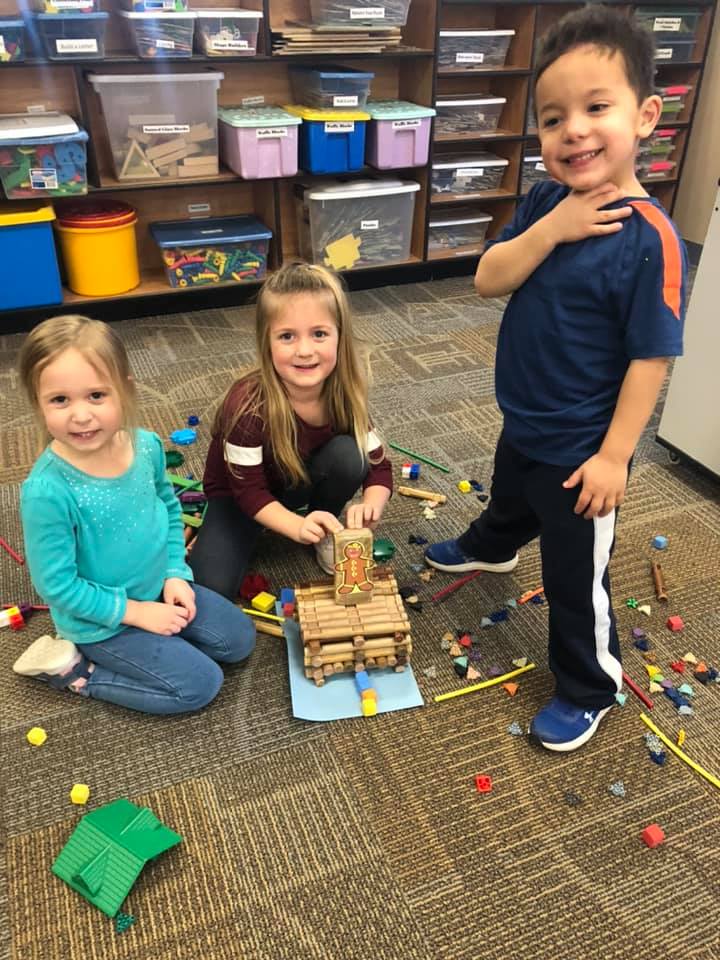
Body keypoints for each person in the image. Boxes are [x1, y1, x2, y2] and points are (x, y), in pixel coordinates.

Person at [425, 4, 687, 751]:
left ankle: (589, 684)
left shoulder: (652, 242)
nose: (572, 130)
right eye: (552, 117)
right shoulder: (545, 200)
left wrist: (612, 458)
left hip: (585, 450)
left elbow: (651, 358)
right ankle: (492, 544)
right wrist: (553, 228)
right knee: (511, 493)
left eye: (596, 108)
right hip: (526, 415)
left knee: (575, 582)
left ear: (645, 116)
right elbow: (486, 278)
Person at [13, 315, 255, 715]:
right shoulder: (47, 491)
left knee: (239, 640)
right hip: (102, 621)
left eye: (96, 395)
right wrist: (137, 613)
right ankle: (77, 673)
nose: (80, 415)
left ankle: (161, 646)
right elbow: (56, 586)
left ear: (124, 390)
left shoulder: (145, 446)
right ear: (38, 403)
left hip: (157, 586)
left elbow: (170, 509)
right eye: (60, 400)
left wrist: (176, 572)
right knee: (200, 685)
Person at [190, 261, 393, 600]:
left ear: (339, 337)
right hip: (238, 498)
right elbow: (249, 493)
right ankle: (277, 528)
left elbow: (379, 465)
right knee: (211, 589)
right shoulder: (247, 407)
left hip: (293, 482)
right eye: (287, 336)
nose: (304, 350)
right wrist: (294, 526)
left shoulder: (343, 392)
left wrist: (372, 502)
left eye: (319, 333)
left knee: (350, 456)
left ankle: (322, 522)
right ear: (266, 343)